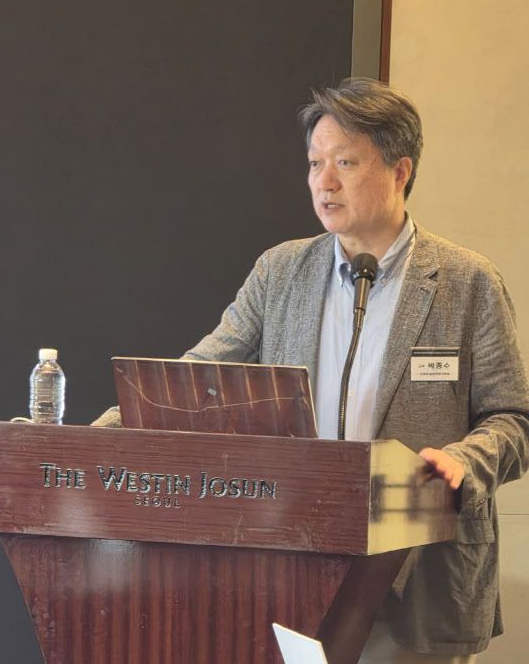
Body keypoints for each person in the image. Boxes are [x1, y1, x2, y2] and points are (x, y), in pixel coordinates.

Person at [96, 78, 529, 662]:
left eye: (344, 162)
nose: (324, 182)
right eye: (314, 163)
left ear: (400, 171)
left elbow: (514, 418)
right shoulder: (280, 272)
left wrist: (466, 460)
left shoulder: (466, 282)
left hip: (417, 575)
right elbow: (196, 378)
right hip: (293, 563)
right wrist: (108, 429)